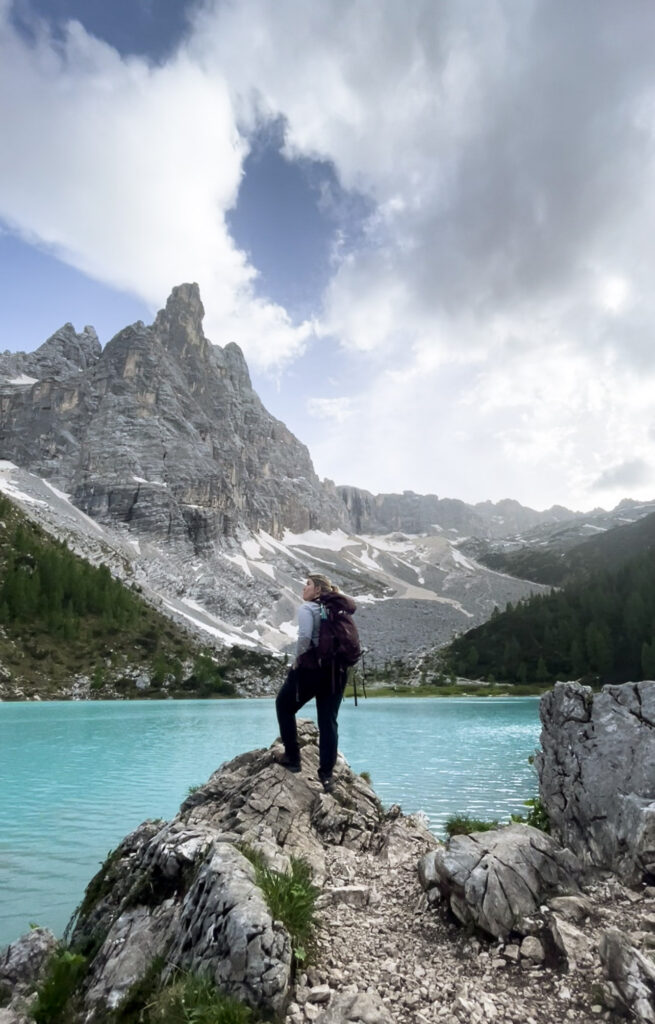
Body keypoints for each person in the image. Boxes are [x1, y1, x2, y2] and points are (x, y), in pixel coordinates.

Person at [275, 572, 353, 790]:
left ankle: (293, 757)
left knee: (284, 706)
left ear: (318, 589)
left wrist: (296, 661)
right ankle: (326, 776)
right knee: (328, 721)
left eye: (307, 585)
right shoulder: (336, 609)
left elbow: (305, 637)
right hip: (336, 672)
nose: (303, 589)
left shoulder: (308, 608)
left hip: (312, 670)